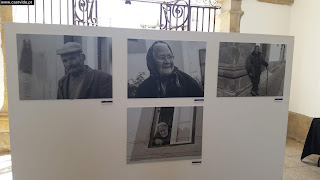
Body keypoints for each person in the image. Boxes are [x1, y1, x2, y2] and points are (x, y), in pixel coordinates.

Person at [135, 41, 204, 98]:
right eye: (161, 57)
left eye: (170, 57)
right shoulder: (144, 88)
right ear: (152, 62)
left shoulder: (187, 81)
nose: (167, 61)